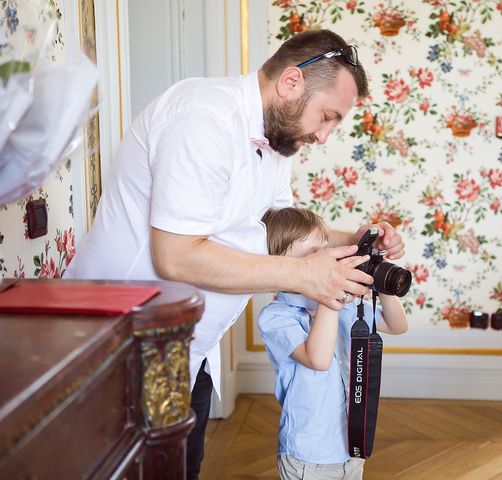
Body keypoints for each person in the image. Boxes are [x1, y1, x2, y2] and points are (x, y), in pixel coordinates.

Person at [65, 29, 405, 479]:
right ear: (290, 83)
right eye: (326, 117)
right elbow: (177, 256)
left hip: (189, 351)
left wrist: (355, 236)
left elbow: (284, 230)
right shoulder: (202, 119)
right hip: (121, 350)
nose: (324, 136)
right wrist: (307, 278)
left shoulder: (276, 143)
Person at [258, 207, 408, 480]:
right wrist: (331, 294)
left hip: (351, 447)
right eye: (311, 258)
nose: (327, 265)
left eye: (326, 252)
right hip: (307, 456)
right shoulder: (277, 317)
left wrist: (380, 279)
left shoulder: (346, 306)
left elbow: (397, 325)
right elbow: (318, 359)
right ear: (278, 267)